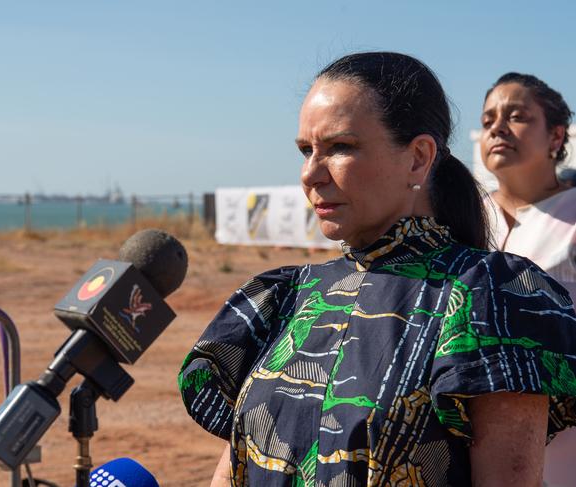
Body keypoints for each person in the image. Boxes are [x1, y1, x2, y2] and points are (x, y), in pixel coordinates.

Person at [179, 52, 576, 486]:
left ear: (418, 158)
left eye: (340, 147)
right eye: (305, 150)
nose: (311, 173)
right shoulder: (286, 296)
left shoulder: (490, 298)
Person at [479, 72, 576, 486]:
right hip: (469, 437)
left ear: (556, 137)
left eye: (516, 116)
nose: (498, 128)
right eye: (487, 122)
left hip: (563, 446)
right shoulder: (459, 219)